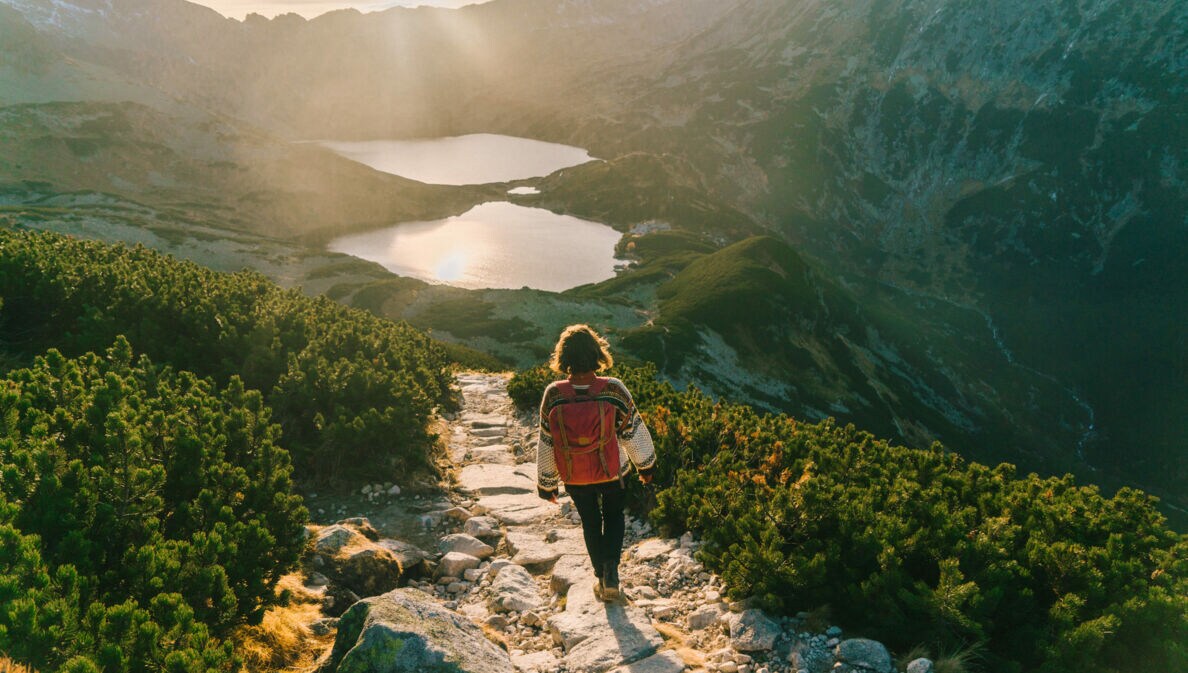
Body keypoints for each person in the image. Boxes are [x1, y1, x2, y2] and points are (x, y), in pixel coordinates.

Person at [537, 324, 656, 601]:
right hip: (611, 471)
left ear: (563, 357)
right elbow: (632, 430)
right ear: (596, 353)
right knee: (614, 518)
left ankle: (600, 579)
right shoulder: (613, 389)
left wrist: (547, 483)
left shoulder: (553, 394)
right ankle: (612, 573)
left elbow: (546, 440)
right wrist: (646, 467)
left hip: (575, 476)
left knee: (590, 523)